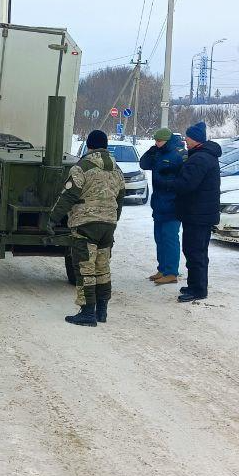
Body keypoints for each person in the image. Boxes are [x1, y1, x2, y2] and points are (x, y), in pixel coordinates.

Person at [48, 130, 125, 327]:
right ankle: (102, 310)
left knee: (85, 267)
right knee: (102, 267)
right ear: (105, 146)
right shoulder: (117, 170)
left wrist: (52, 219)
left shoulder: (81, 167)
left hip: (85, 224)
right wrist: (113, 218)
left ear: (89, 146)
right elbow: (120, 198)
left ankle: (87, 312)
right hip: (108, 224)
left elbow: (69, 196)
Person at [153, 122, 222, 303]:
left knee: (195, 252)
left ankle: (198, 289)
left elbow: (186, 184)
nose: (185, 140)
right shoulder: (202, 156)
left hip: (198, 214)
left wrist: (167, 183)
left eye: (188, 138)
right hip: (199, 213)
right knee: (195, 251)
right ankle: (195, 285)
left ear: (195, 139)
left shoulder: (200, 159)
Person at [140, 128, 184, 286]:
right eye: (155, 141)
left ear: (167, 140)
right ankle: (162, 269)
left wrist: (170, 184)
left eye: (159, 141)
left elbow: (184, 180)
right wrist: (150, 152)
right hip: (159, 203)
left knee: (170, 238)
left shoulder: (178, 154)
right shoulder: (158, 152)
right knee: (159, 238)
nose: (156, 144)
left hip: (172, 205)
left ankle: (171, 272)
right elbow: (143, 164)